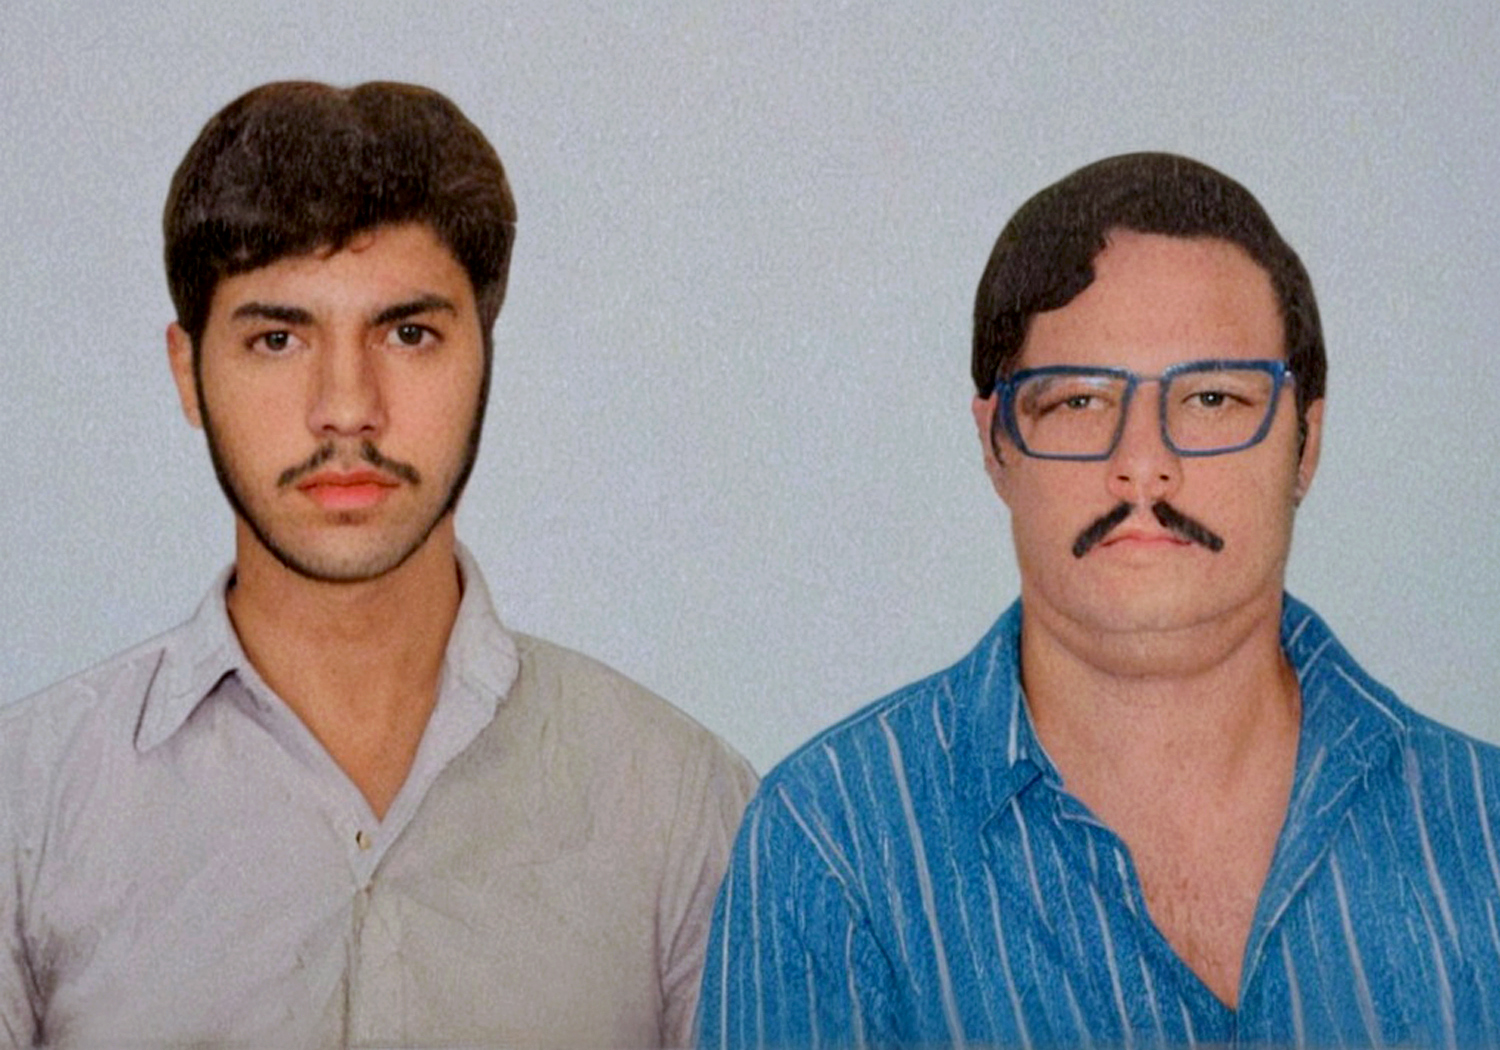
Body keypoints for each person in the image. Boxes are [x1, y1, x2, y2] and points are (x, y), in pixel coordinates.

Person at [0, 80, 755, 1048]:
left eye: (408, 333)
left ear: (484, 357)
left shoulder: (681, 805)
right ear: (188, 373)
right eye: (278, 339)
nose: (348, 408)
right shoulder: (27, 811)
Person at [698, 152, 1500, 1048]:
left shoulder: (1485, 830)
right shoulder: (833, 847)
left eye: (1211, 398)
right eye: (1080, 401)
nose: (1143, 465)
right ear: (996, 445)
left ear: (1305, 442)